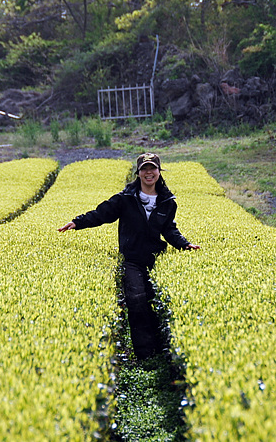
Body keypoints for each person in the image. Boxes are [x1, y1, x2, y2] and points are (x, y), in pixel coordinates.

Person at [58, 153, 200, 361]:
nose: (148, 173)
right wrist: (78, 222)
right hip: (132, 259)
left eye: (152, 168)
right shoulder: (125, 198)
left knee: (155, 300)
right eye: (144, 169)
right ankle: (144, 355)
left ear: (159, 172)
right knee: (136, 301)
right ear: (138, 173)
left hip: (156, 258)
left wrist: (184, 244)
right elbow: (102, 214)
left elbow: (169, 229)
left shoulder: (168, 201)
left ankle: (161, 352)